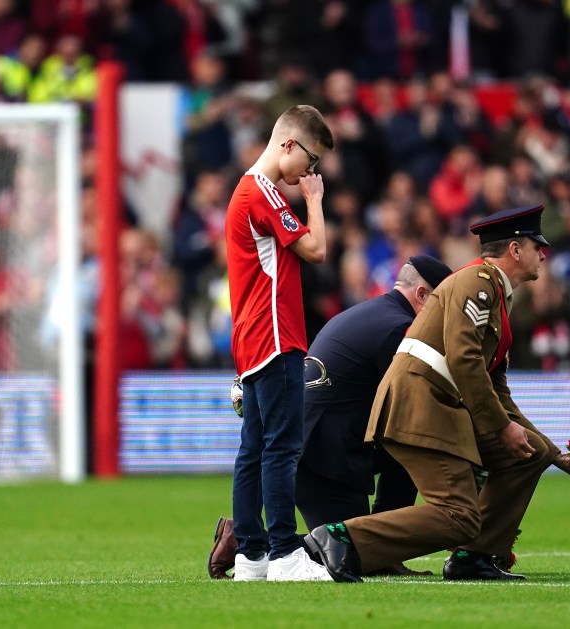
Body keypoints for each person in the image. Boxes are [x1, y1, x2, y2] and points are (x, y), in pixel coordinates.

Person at [303, 205, 570, 583]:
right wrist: (500, 427)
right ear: (514, 250)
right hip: (421, 404)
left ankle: (476, 557)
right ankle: (343, 536)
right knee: (458, 516)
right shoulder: (478, 283)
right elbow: (464, 359)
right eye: (536, 245)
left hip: (432, 402)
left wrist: (555, 453)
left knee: (529, 454)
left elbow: (495, 388)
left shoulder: (495, 296)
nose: (544, 253)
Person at [207, 255, 453, 579]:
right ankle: (247, 539)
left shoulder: (374, 313)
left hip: (318, 448)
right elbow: (418, 403)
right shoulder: (397, 328)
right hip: (326, 460)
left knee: (406, 450)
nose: (445, 317)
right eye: (441, 303)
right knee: (348, 551)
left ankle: (384, 553)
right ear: (422, 295)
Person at [224, 104, 334, 582]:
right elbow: (317, 249)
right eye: (311, 161)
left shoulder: (250, 190)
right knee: (282, 446)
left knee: (254, 447)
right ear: (288, 144)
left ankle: (251, 555)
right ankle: (285, 552)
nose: (311, 173)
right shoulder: (261, 192)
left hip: (253, 333)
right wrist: (315, 199)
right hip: (273, 332)